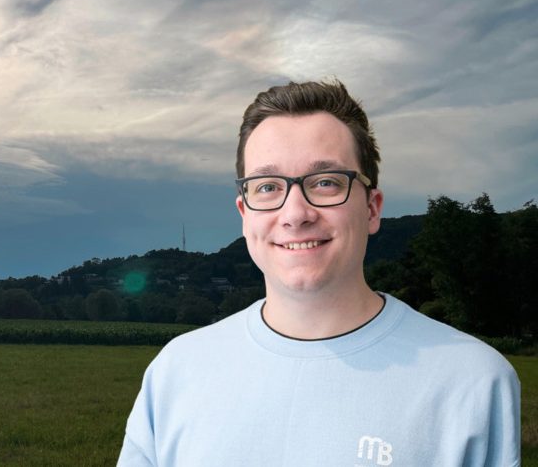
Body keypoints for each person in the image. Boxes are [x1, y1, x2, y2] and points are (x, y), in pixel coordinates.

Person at [118, 80, 520, 466]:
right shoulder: (176, 372)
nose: (295, 214)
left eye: (326, 182)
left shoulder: (471, 381)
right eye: (267, 187)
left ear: (372, 208)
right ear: (244, 213)